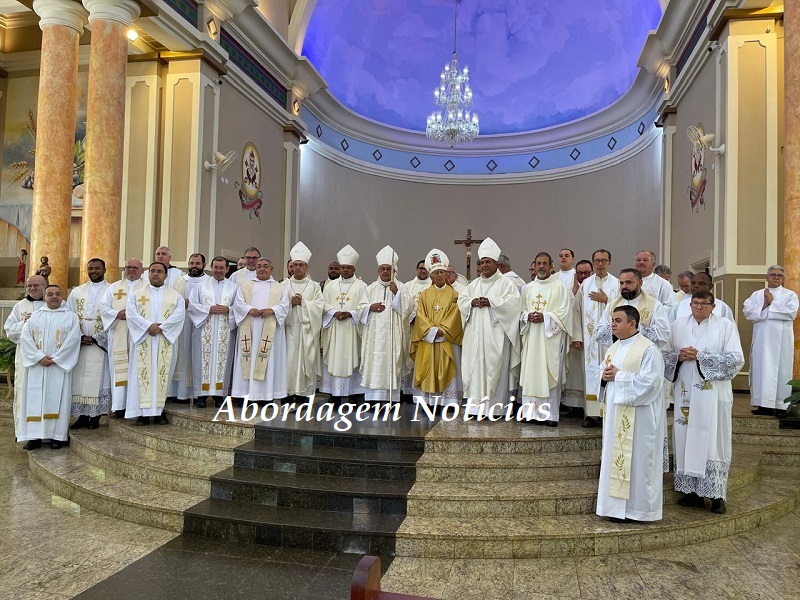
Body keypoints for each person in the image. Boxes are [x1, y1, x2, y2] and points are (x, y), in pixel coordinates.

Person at [666, 291, 744, 514]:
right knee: (685, 438)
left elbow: (736, 359)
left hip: (713, 395)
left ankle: (716, 495)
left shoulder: (725, 326)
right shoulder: (678, 325)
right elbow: (664, 356)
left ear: (713, 306)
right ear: (689, 305)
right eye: (695, 303)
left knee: (714, 441)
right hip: (685, 394)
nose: (699, 307)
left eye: (704, 304)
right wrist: (679, 357)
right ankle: (690, 492)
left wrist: (701, 357)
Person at [595, 305, 665, 522]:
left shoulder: (649, 350)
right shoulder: (613, 349)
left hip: (640, 419)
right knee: (616, 460)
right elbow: (603, 373)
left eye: (617, 320)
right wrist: (604, 377)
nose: (612, 325)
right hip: (616, 415)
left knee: (638, 462)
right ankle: (615, 509)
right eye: (612, 320)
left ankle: (638, 511)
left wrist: (619, 376)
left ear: (632, 323)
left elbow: (651, 384)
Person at [458, 238, 521, 416]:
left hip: (496, 337)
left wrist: (491, 302)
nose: (485, 265)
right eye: (482, 262)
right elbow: (462, 302)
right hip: (475, 336)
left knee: (495, 369)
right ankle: (475, 408)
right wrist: (471, 302)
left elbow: (514, 305)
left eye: (488, 262)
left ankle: (495, 409)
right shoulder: (474, 285)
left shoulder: (507, 284)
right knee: (474, 369)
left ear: (496, 264)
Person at [18, 285, 81, 450]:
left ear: (62, 297)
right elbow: (25, 339)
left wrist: (57, 359)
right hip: (37, 366)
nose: (54, 297)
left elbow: (74, 340)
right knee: (34, 400)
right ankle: (34, 437)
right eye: (50, 294)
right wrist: (39, 358)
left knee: (58, 399)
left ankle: (58, 437)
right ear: (44, 297)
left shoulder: (71, 317)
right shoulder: (34, 317)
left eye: (57, 294)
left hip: (58, 366)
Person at [125, 262, 186, 425]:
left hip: (165, 339)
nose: (156, 274)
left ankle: (159, 412)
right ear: (148, 274)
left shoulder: (175, 296)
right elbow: (131, 314)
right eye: (152, 271)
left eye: (159, 271)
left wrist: (161, 328)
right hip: (143, 339)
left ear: (166, 275)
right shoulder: (136, 295)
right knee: (141, 375)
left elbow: (179, 315)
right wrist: (148, 326)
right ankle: (142, 414)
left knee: (162, 375)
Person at [519, 252, 572, 426]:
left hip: (550, 340)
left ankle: (549, 415)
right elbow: (519, 312)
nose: (541, 266)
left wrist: (545, 317)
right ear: (534, 266)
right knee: (531, 374)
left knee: (549, 374)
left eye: (544, 263)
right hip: (531, 338)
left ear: (551, 266)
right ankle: (530, 413)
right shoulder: (527, 288)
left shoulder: (559, 288)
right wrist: (527, 316)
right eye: (538, 263)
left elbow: (565, 313)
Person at [230, 258, 290, 403]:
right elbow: (238, 304)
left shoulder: (279, 288)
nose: (262, 269)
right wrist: (250, 309)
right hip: (250, 328)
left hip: (270, 330)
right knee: (248, 359)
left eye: (265, 266)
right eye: (259, 266)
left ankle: (266, 396)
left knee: (268, 360)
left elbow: (285, 306)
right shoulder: (245, 286)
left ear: (271, 269)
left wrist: (272, 310)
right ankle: (246, 394)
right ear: (255, 269)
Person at [743, 265, 799, 417]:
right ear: (766, 277)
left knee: (782, 370)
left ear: (783, 279)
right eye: (773, 275)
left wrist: (772, 303)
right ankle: (764, 405)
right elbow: (747, 312)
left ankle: (781, 406)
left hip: (782, 341)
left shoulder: (790, 295)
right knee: (762, 369)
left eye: (779, 275)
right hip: (762, 339)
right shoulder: (757, 294)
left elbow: (791, 313)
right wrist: (765, 304)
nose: (776, 277)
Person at [411, 249, 463, 412]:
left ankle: (448, 403)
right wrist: (432, 330)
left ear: (446, 274)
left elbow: (456, 314)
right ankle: (427, 402)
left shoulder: (455, 294)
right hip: (429, 339)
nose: (439, 276)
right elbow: (420, 315)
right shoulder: (425, 294)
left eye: (442, 272)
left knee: (448, 368)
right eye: (435, 273)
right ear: (431, 276)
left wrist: (443, 330)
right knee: (428, 369)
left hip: (447, 340)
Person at [359, 246, 412, 404]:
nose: (385, 272)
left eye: (388, 269)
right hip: (374, 338)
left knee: (390, 366)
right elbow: (360, 309)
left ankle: (391, 401)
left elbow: (408, 308)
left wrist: (397, 294)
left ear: (394, 271)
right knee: (374, 367)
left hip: (392, 339)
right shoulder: (370, 289)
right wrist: (370, 308)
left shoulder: (401, 287)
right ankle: (373, 401)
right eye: (382, 269)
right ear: (378, 270)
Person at [572, 250, 619, 427]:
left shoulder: (616, 283)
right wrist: (577, 335)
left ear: (610, 262)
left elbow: (624, 307)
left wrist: (607, 300)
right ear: (593, 263)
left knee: (610, 372)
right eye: (597, 261)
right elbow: (576, 311)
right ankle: (591, 414)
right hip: (590, 339)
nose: (600, 264)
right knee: (591, 374)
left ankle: (609, 412)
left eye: (604, 260)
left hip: (611, 340)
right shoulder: (586, 284)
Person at [188, 256, 238, 408]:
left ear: (227, 269)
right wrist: (207, 309)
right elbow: (192, 305)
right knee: (201, 361)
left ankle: (220, 395)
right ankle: (200, 396)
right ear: (211, 267)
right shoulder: (201, 286)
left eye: (222, 267)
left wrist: (228, 309)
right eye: (216, 267)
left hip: (225, 331)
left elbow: (240, 308)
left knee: (223, 362)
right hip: (204, 328)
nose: (218, 270)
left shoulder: (234, 287)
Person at [67, 258, 110, 429]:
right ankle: (82, 416)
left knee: (98, 378)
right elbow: (69, 317)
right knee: (80, 379)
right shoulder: (77, 292)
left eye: (97, 268)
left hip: (100, 344)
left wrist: (97, 338)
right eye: (91, 268)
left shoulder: (111, 291)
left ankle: (96, 416)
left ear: (104, 269)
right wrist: (78, 336)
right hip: (81, 343)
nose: (94, 271)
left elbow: (112, 318)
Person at [320, 246, 368, 401]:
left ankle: (354, 394)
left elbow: (364, 306)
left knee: (353, 356)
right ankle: (334, 395)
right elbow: (323, 304)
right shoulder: (331, 286)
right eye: (343, 267)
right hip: (334, 327)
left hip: (352, 329)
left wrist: (351, 313)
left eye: (348, 267)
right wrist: (334, 313)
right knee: (334, 357)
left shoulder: (362, 286)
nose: (345, 270)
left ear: (354, 268)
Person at [100, 258, 145, 417]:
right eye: (128, 267)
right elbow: (103, 307)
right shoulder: (114, 287)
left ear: (142, 270)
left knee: (139, 367)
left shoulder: (147, 287)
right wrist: (116, 314)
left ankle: (137, 405)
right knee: (119, 367)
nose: (131, 270)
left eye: (135, 267)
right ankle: (119, 406)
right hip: (119, 329)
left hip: (139, 334)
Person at [4, 275, 46, 438]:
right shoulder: (20, 306)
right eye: (29, 285)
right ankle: (25, 433)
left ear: (45, 286)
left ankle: (46, 432)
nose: (32, 288)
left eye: (36, 285)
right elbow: (9, 330)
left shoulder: (54, 304)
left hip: (48, 359)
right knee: (24, 393)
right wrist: (24, 323)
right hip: (25, 360)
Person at [281, 242, 324, 402]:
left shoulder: (314, 287)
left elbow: (320, 307)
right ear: (291, 267)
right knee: (288, 362)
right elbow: (278, 307)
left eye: (301, 265)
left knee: (306, 361)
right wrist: (290, 303)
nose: (297, 268)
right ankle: (287, 394)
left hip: (307, 331)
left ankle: (303, 396)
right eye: (295, 265)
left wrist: (304, 304)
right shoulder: (283, 285)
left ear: (306, 267)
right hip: (289, 330)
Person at [596, 269, 670, 351]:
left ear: (640, 283)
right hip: (618, 352)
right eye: (621, 283)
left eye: (628, 282)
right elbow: (600, 331)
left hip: (642, 353)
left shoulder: (655, 305)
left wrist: (633, 330)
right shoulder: (612, 305)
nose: (624, 286)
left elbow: (663, 334)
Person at [169, 253, 209, 403]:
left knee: (199, 355)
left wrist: (192, 305)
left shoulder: (209, 283)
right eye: (191, 263)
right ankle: (180, 393)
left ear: (204, 265)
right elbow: (171, 300)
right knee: (182, 354)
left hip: (202, 324)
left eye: (197, 263)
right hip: (182, 323)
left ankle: (199, 394)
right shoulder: (179, 282)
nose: (194, 266)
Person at [669, 272, 734, 322]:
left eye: (701, 283)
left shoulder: (722, 307)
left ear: (710, 286)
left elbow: (731, 332)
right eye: (693, 283)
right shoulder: (679, 306)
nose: (696, 286)